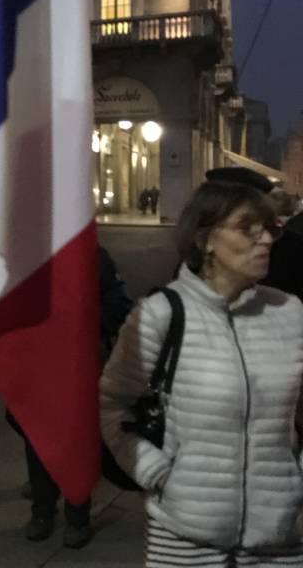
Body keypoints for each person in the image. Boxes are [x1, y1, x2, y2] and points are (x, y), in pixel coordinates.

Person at [101, 179, 303, 566]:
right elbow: (112, 403)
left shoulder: (289, 312)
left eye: (270, 228)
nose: (266, 240)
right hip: (184, 540)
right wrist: (157, 473)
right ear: (206, 240)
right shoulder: (161, 314)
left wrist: (296, 479)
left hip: (280, 541)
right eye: (248, 228)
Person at [16, 244, 132, 549]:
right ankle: (42, 511)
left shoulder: (94, 255)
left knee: (77, 441)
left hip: (79, 362)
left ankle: (77, 516)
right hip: (37, 363)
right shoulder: (30, 256)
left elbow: (117, 304)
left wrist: (81, 322)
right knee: (37, 441)